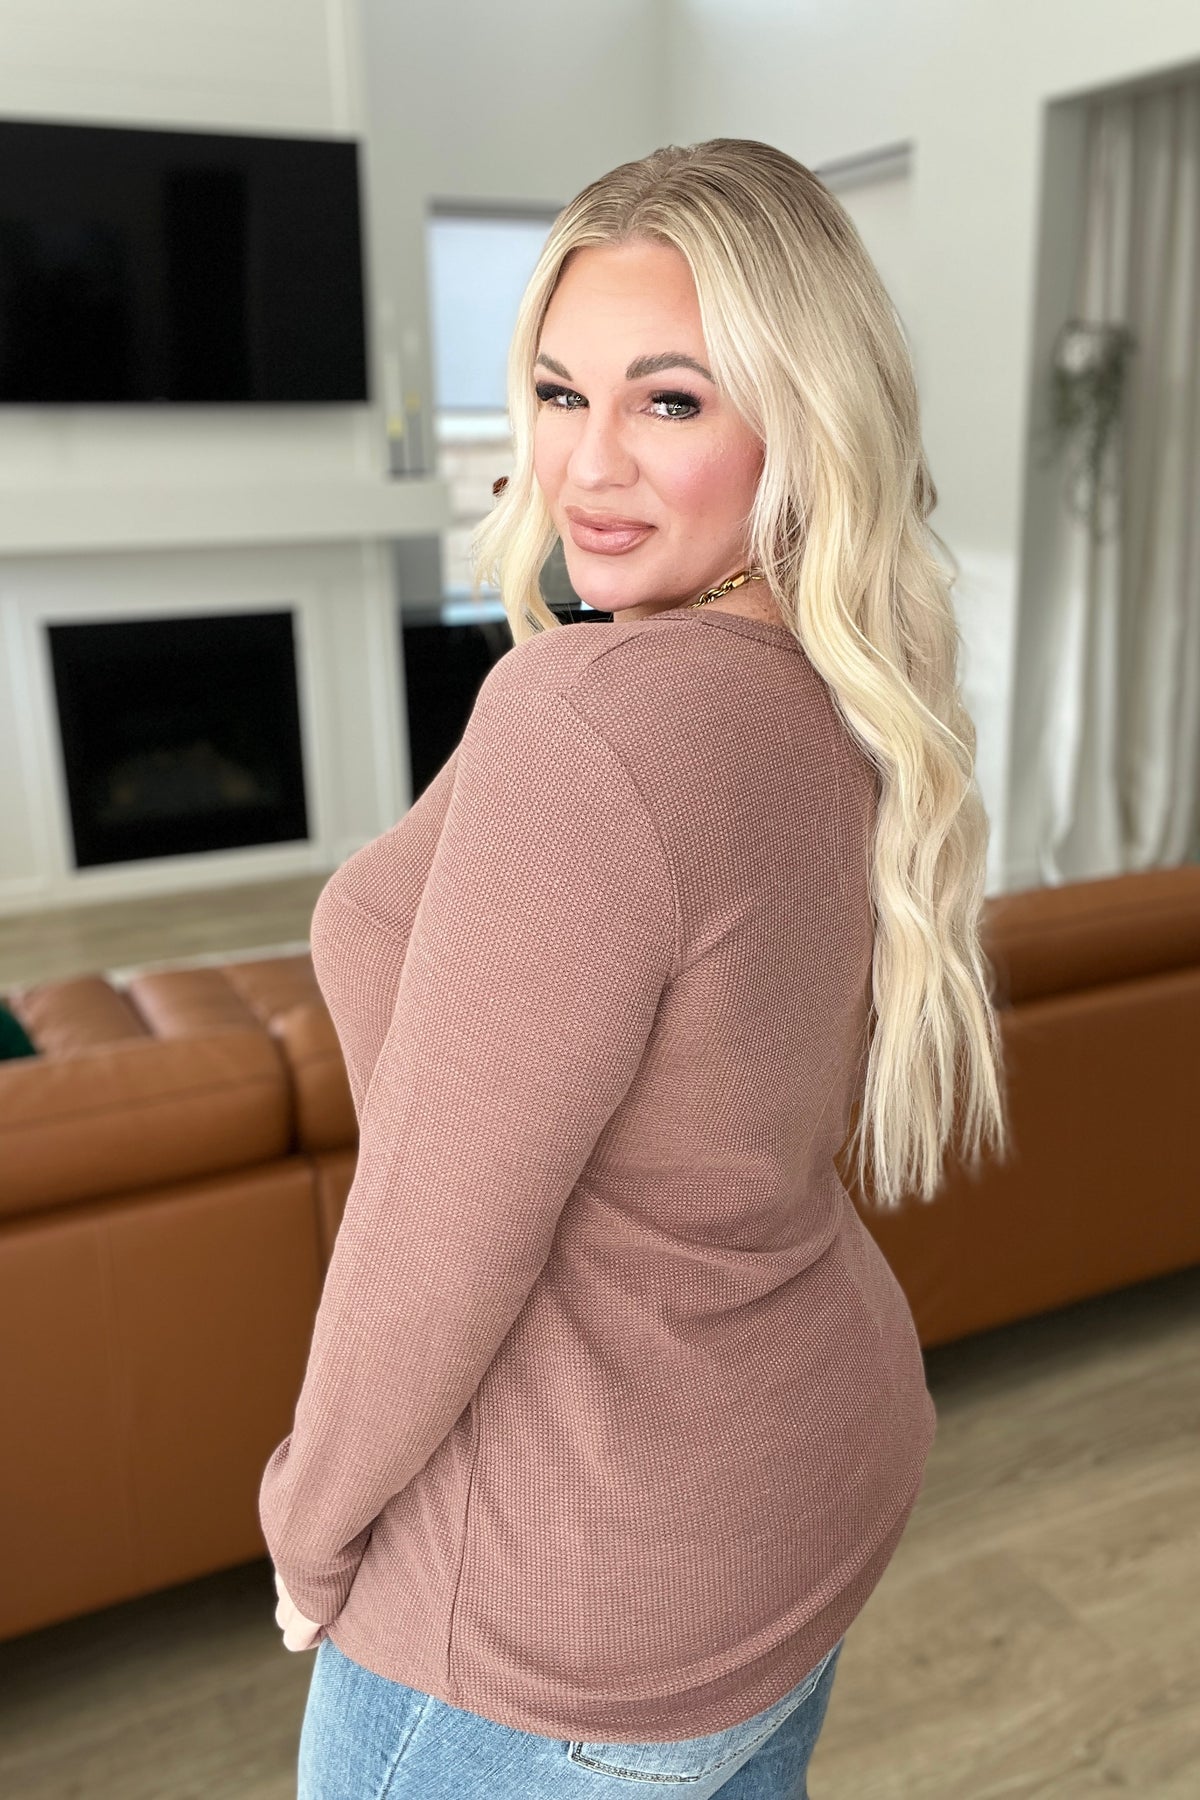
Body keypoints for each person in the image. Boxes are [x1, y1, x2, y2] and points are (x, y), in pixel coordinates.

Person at [260, 136, 1009, 1798]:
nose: (588, 463)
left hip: (564, 1590)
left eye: (669, 401)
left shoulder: (594, 724)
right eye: (557, 392)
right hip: (788, 1495)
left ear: (800, 423)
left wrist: (311, 1521)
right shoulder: (837, 690)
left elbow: (438, 1232)